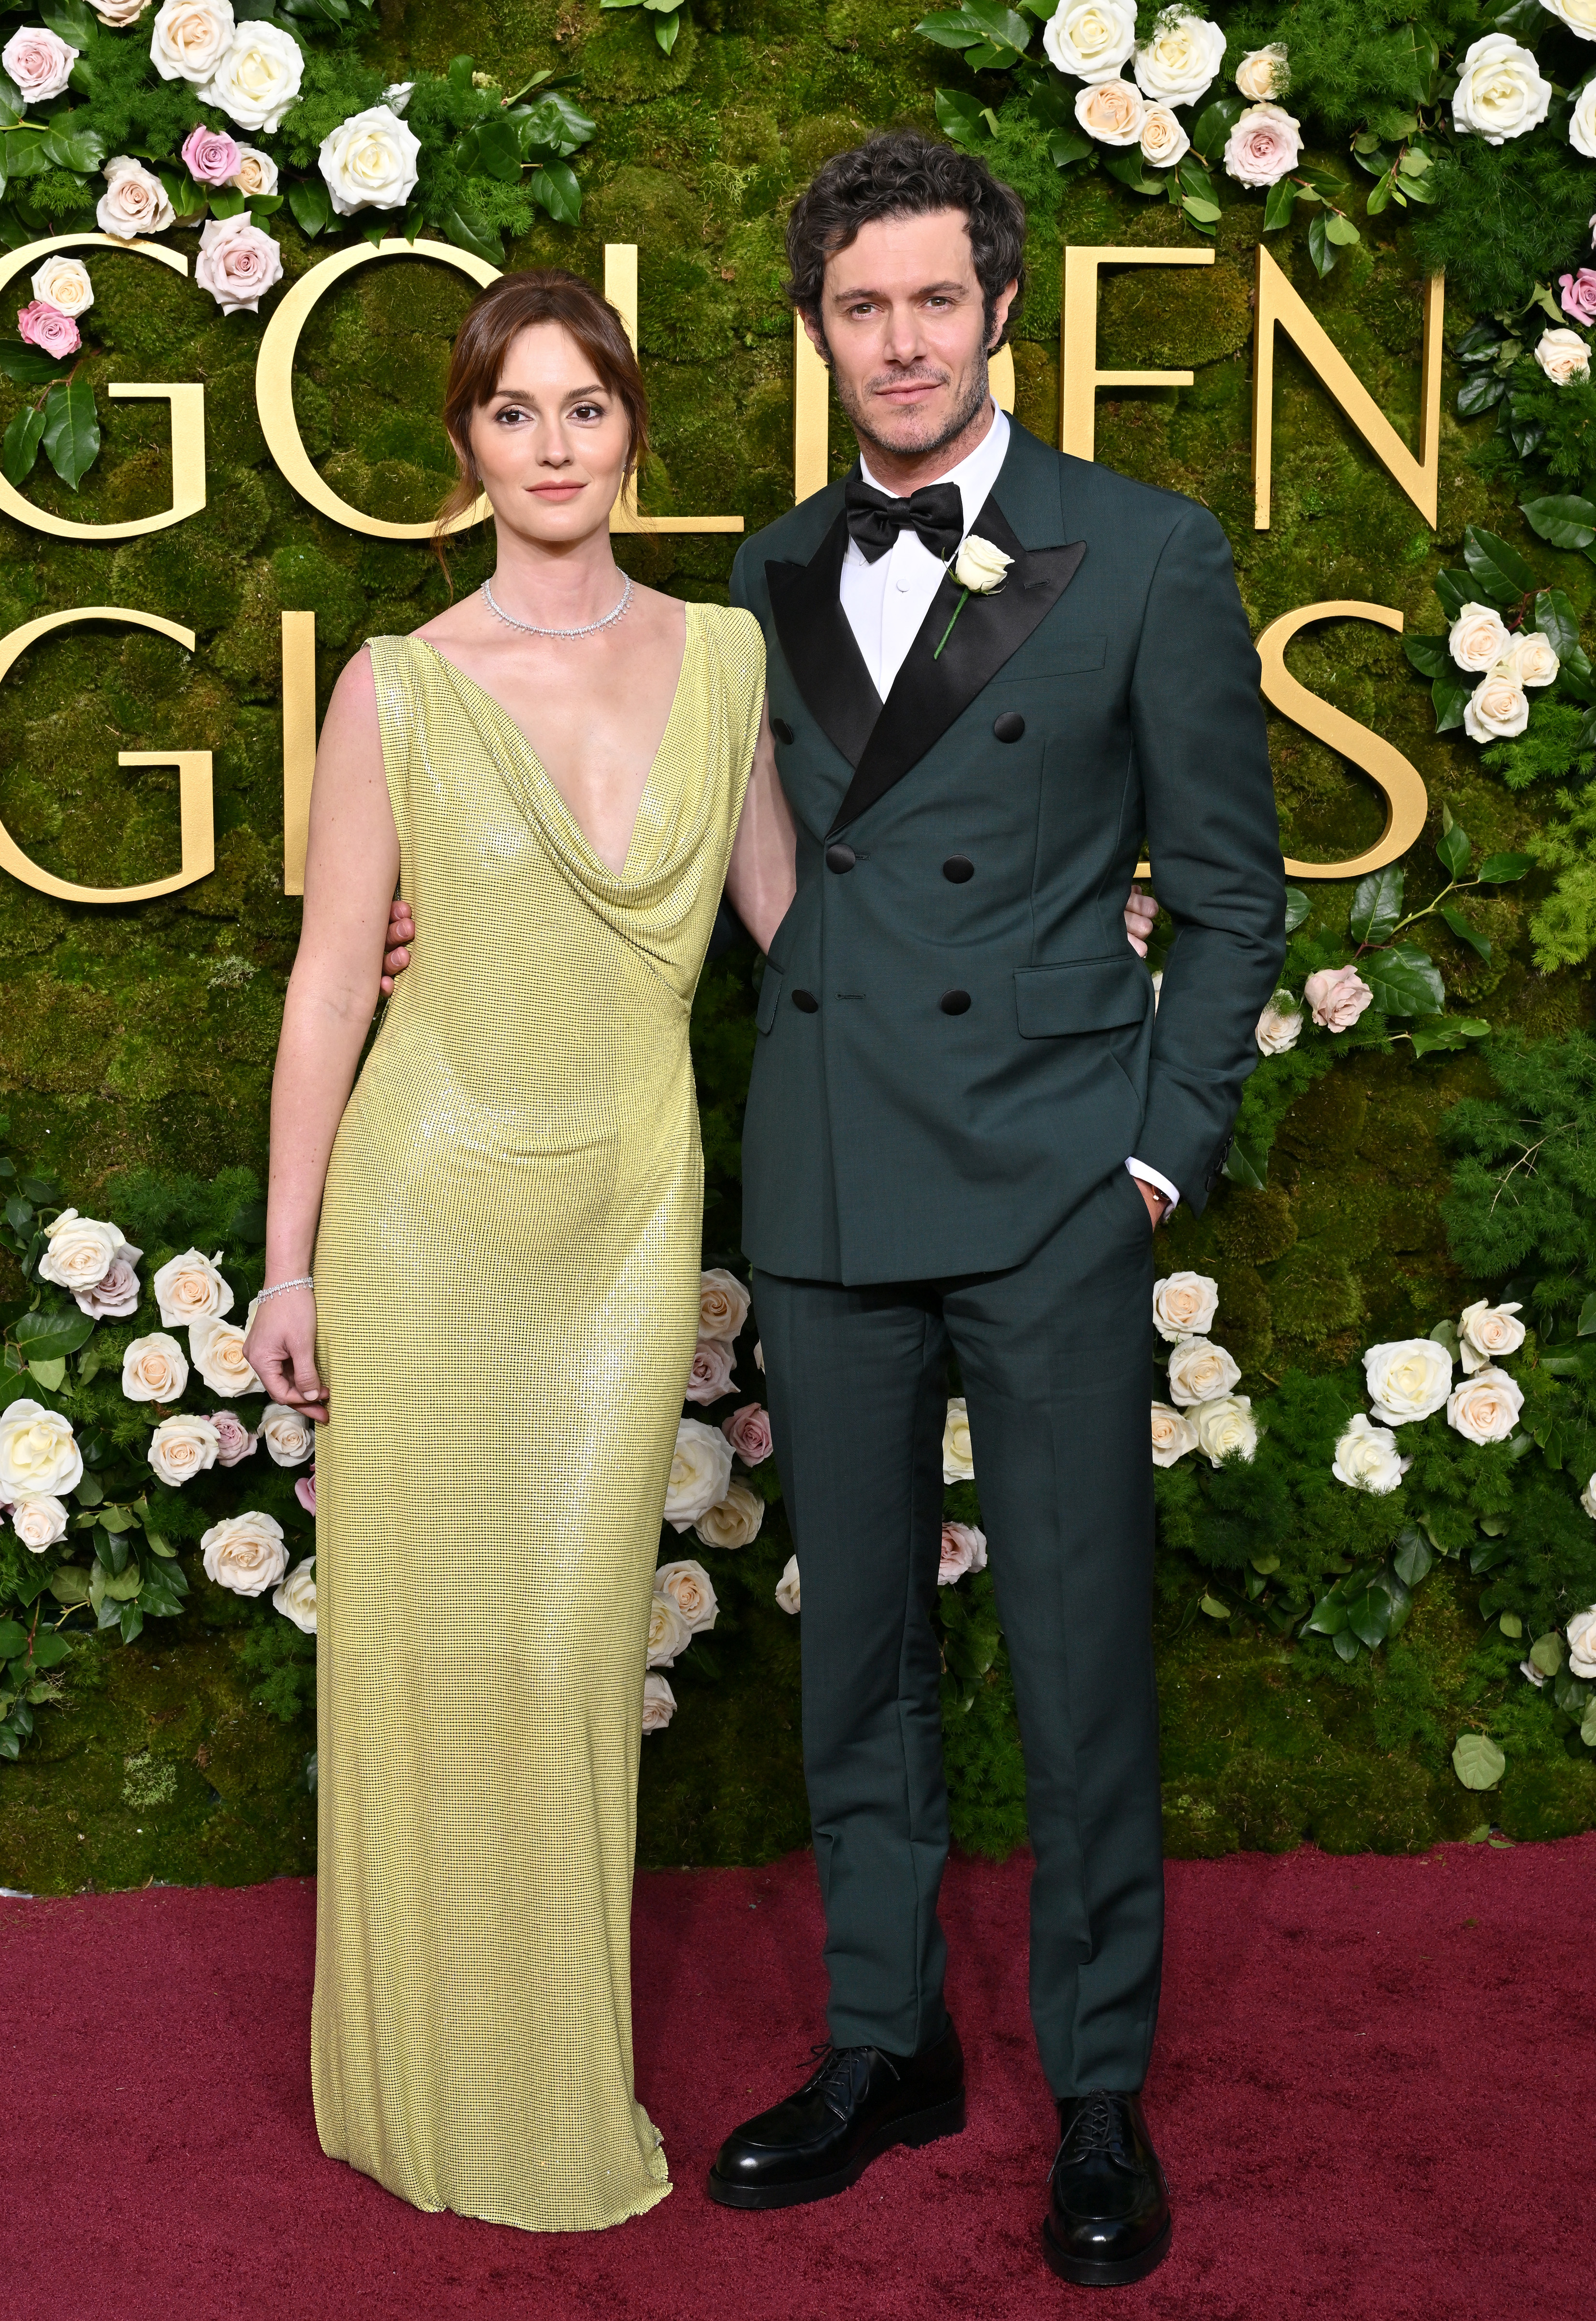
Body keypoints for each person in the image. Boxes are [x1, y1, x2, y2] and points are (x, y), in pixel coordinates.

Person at [370, 135, 1264, 2271]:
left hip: (1053, 1183)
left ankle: (1099, 2101)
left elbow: (1230, 896)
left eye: (930, 302)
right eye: (858, 308)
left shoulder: (1138, 552)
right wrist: (471, 938)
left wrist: (1153, 1155)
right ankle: (886, 2044)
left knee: (1072, 1663)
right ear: (816, 332)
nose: (897, 341)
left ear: (997, 310)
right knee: (845, 1650)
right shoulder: (756, 586)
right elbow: (689, 864)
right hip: (834, 1180)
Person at [243, 267, 793, 2232]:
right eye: (512, 412)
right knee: (431, 1654)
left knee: (561, 1655)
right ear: (462, 446)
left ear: (631, 429)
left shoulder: (727, 663)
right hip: (421, 1222)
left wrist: (1060, 955)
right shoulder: (397, 683)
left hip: (617, 1237)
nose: (552, 445)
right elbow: (327, 990)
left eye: (583, 407)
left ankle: (548, 2082)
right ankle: (421, 2082)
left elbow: (803, 942)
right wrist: (288, 1266)